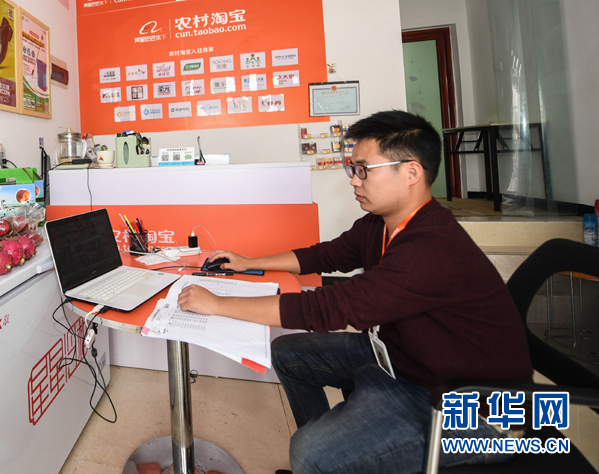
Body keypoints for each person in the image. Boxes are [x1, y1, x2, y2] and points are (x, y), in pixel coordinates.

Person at [178, 110, 532, 473]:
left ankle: (325, 461)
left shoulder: (432, 248)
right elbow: (324, 255)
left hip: (468, 406)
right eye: (353, 169)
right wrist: (248, 261)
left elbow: (328, 308)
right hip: (402, 360)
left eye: (364, 169)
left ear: (411, 172)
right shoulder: (380, 224)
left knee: (310, 453)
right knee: (289, 354)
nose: (354, 180)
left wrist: (217, 303)